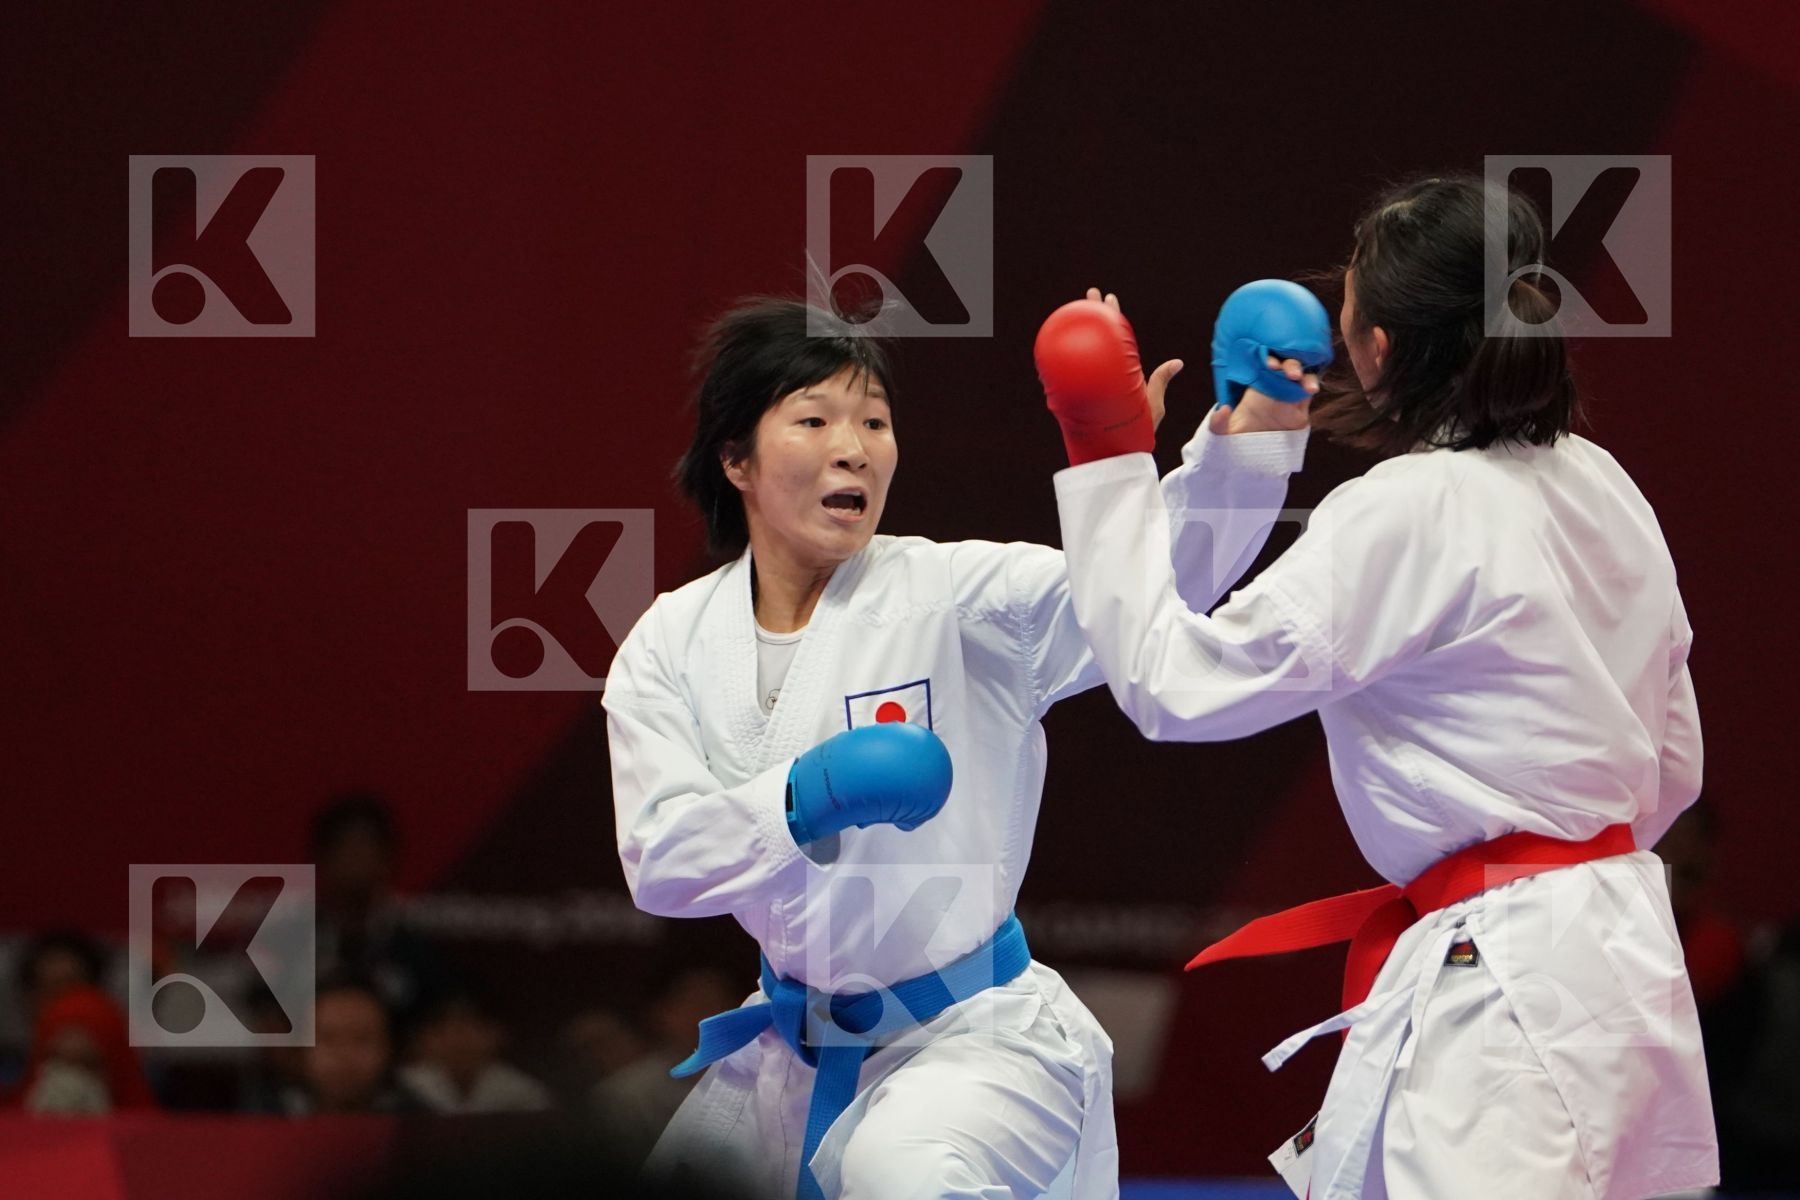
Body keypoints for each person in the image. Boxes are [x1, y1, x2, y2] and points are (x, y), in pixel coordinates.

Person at [1045, 173, 1716, 1198]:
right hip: (1616, 954)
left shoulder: (1410, 508)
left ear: (1379, 348)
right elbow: (1673, 763)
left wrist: (1107, 453)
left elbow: (1173, 684)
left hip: (1511, 985)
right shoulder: (1601, 481)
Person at [603, 293, 1308, 1200]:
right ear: (736, 458)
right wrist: (805, 796)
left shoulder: (958, 596)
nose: (854, 447)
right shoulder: (671, 641)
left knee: (898, 1173)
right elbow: (661, 861)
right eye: (815, 420)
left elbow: (1141, 590)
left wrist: (1241, 447)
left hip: (975, 1036)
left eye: (874, 421)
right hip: (794, 1045)